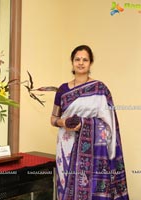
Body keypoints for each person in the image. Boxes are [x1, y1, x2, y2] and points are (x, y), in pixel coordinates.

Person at [51, 45, 129, 199]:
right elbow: (53, 118)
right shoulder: (62, 90)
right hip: (66, 145)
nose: (81, 63)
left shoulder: (100, 88)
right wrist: (64, 122)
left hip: (95, 149)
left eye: (85, 59)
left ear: (90, 63)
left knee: (93, 185)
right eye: (77, 59)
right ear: (72, 62)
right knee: (66, 182)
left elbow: (110, 124)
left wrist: (86, 124)